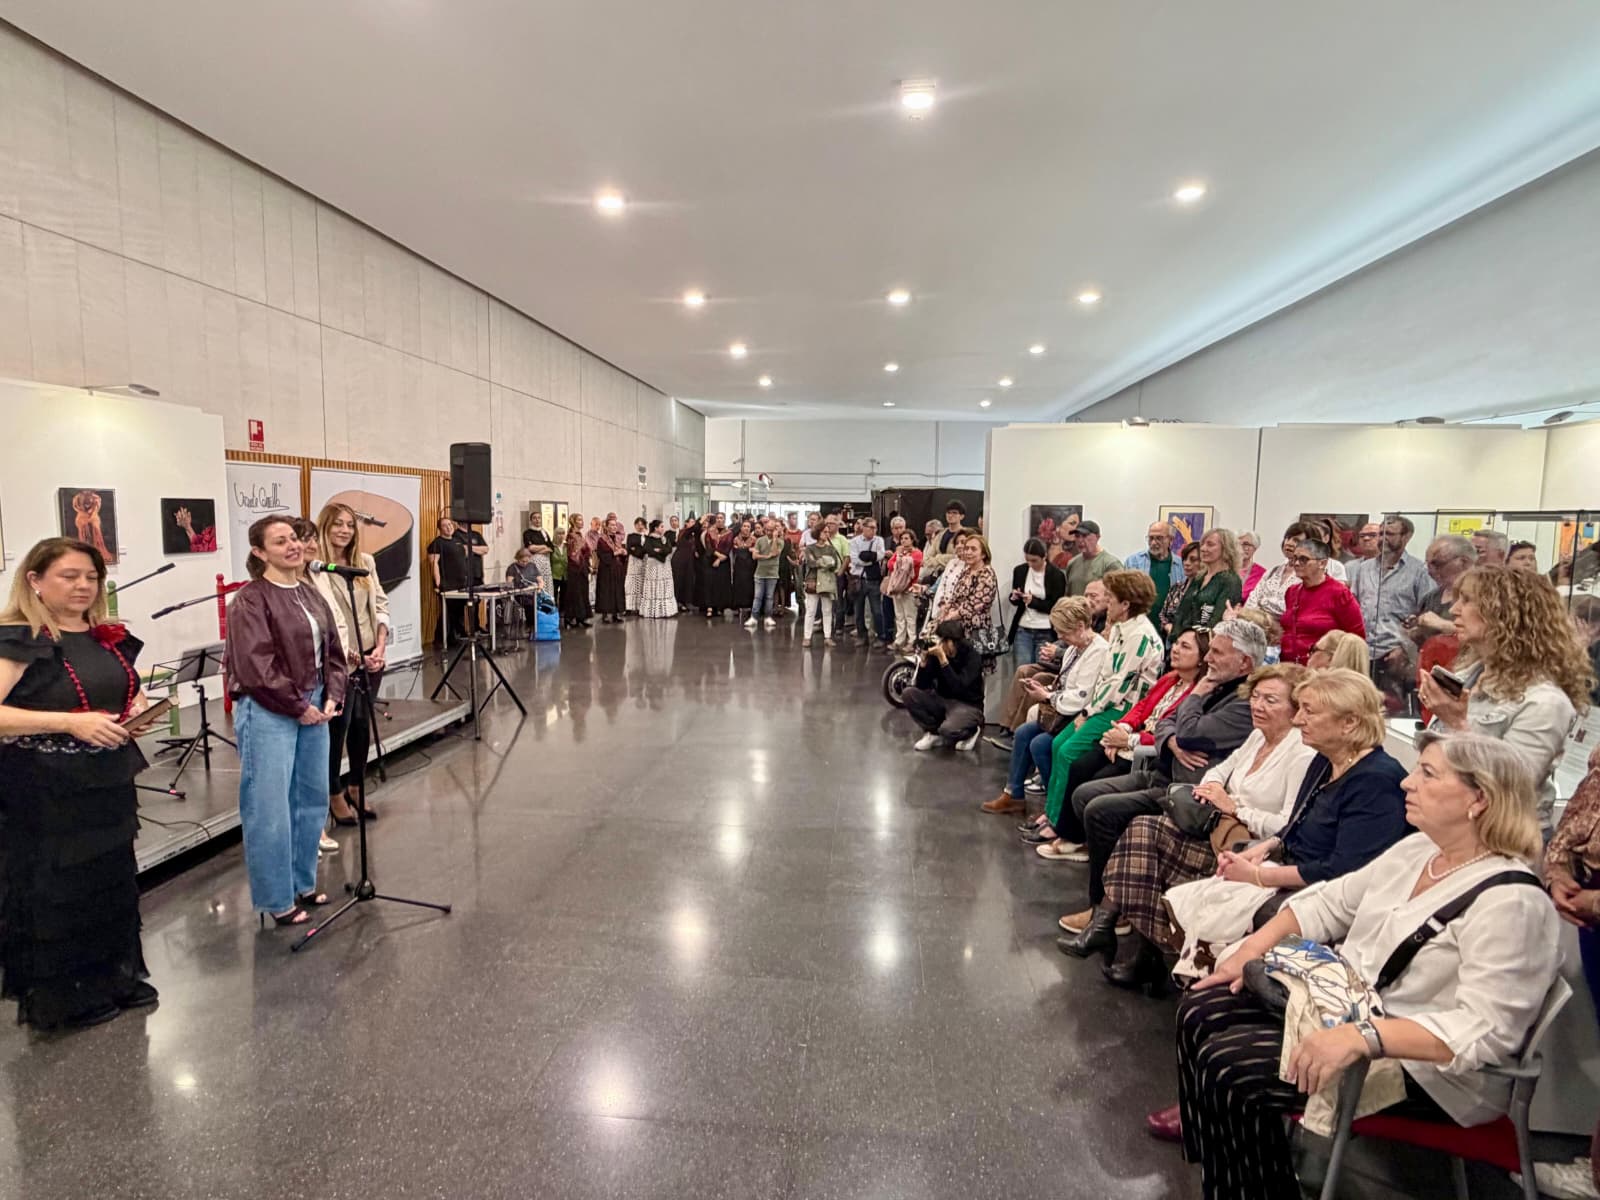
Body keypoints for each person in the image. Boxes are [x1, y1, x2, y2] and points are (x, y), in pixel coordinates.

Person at [1174, 732, 1556, 1200]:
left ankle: (1249, 1177)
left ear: (1479, 799)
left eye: (1428, 774)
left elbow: (1487, 1030)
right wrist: (1249, 949)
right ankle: (1228, 1159)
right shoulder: (1420, 851)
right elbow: (1332, 902)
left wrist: (1362, 1036)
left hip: (1431, 1071)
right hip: (1355, 1010)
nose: (1407, 783)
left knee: (1230, 1066)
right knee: (1201, 1007)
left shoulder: (1511, 902)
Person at [0, 538, 163, 1029]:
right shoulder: (18, 636)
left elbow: (109, 691)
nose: (83, 586)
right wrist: (69, 724)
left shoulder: (101, 636)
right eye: (69, 576)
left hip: (105, 781)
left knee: (108, 879)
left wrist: (132, 711)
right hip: (44, 788)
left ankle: (111, 976)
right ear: (35, 580)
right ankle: (65, 994)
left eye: (91, 577)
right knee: (58, 889)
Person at [1095, 664, 1315, 991]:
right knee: (1143, 829)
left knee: (1145, 833)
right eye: (1255, 697)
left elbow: (1287, 824)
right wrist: (1210, 788)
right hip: (1218, 826)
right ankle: (1133, 941)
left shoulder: (1301, 753)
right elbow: (1221, 770)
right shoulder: (1258, 736)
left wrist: (1235, 806)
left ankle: (1124, 934)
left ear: (1295, 708)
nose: (1258, 706)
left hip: (1247, 848)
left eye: (1271, 700)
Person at [1051, 619, 1264, 954]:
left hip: (1186, 793)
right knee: (1085, 793)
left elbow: (1191, 731)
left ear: (1245, 663)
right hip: (1164, 771)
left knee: (1100, 810)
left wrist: (1193, 701)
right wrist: (1174, 742)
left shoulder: (1240, 702)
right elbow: (1166, 719)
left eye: (1218, 653)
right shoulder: (1200, 684)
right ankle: (1111, 897)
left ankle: (1106, 911)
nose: (1209, 659)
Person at [225, 516, 348, 927]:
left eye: (294, 538)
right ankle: (277, 898)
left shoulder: (311, 594)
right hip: (269, 709)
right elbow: (256, 667)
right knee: (270, 807)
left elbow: (334, 650)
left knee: (311, 799)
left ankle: (303, 882)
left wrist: (334, 693)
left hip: (314, 703)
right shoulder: (250, 600)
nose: (293, 546)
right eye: (280, 542)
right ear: (260, 553)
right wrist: (299, 705)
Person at [1418, 565, 1594, 831]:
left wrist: (1457, 724)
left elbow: (1515, 784)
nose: (1454, 610)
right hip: (1454, 827)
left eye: (1467, 601)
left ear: (1503, 614)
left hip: (1503, 838)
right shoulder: (1468, 676)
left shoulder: (1545, 701)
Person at [1036, 570, 1165, 832]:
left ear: (1126, 604)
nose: (1106, 603)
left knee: (1068, 752)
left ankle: (1060, 824)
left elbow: (1119, 684)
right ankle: (1051, 812)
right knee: (1058, 744)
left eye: (1111, 598)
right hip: (1106, 703)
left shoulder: (1139, 635)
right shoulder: (1120, 628)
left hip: (1122, 707)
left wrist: (1087, 712)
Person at [982, 597, 1106, 815]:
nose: (1059, 637)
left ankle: (1056, 807)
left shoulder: (1099, 651)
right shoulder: (1073, 649)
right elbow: (1066, 683)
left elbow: (1082, 697)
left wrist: (1047, 696)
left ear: (1079, 627)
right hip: (1064, 711)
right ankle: (1013, 794)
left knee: (1039, 744)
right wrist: (1046, 690)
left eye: (1063, 632)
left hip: (1082, 714)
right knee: (1023, 732)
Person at [315, 503, 391, 827]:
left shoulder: (365, 563)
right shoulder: (315, 569)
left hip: (371, 655)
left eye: (349, 525)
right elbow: (320, 618)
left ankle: (356, 786)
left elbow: (381, 604)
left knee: (362, 725)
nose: (344, 530)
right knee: (338, 727)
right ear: (325, 527)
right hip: (337, 661)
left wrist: (381, 644)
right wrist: (349, 654)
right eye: (337, 524)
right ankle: (333, 793)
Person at [1347, 515, 1432, 666]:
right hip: (1364, 651)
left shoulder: (1420, 571)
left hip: (1396, 655)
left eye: (1390, 534)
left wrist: (1406, 648)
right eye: (1381, 534)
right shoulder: (1364, 569)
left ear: (1406, 537)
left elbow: (1426, 617)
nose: (1382, 539)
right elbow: (1355, 607)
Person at [1277, 538, 1365, 665]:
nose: (1296, 563)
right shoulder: (1292, 592)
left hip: (1321, 670)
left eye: (1303, 559)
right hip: (1288, 667)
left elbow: (1356, 638)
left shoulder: (1339, 593)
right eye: (1294, 558)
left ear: (1322, 563)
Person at [903, 619, 985, 752]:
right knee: (909, 694)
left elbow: (959, 686)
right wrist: (924, 665)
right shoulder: (938, 654)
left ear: (951, 642)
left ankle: (971, 731)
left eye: (942, 641)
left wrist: (944, 661)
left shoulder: (972, 656)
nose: (939, 644)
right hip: (942, 699)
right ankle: (934, 733)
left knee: (948, 729)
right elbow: (922, 686)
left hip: (968, 704)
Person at [1170, 529, 1244, 639]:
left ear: (1226, 549)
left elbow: (1217, 622)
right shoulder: (1199, 577)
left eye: (1210, 544)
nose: (1203, 549)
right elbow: (1181, 611)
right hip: (1183, 641)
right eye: (1202, 544)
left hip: (1205, 644)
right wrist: (1175, 638)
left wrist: (1195, 643)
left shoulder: (1231, 580)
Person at [1246, 522, 1327, 619]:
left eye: (1296, 540)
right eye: (1287, 538)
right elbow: (1252, 601)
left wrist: (1263, 602)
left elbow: (1292, 610)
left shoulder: (1312, 576)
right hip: (1258, 626)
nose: (1288, 543)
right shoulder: (1273, 571)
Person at [1007, 538, 1068, 667]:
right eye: (1027, 560)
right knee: (1021, 670)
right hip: (1023, 628)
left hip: (1046, 629)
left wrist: (1034, 602)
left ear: (1044, 556)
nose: (1030, 564)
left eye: (1034, 560)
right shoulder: (1020, 571)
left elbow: (1056, 606)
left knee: (1041, 671)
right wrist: (1014, 597)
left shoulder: (1056, 575)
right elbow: (1017, 603)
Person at [931, 533, 999, 634]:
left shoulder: (987, 574)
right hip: (955, 628)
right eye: (966, 548)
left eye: (973, 549)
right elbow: (956, 597)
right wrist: (946, 608)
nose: (968, 552)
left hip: (975, 630)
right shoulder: (966, 571)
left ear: (983, 554)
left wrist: (952, 615)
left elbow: (976, 604)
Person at [1125, 522, 1186, 616]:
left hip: (1169, 623)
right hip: (1140, 620)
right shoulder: (1133, 562)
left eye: (1159, 538)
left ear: (1171, 539)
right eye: (1151, 538)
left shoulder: (1181, 565)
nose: (1153, 543)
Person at [427, 515, 470, 643]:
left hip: (461, 583)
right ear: (440, 529)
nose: (448, 527)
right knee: (448, 613)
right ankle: (441, 639)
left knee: (459, 612)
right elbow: (434, 564)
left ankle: (456, 635)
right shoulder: (437, 543)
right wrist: (438, 583)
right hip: (447, 584)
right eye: (445, 525)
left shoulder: (457, 541)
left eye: (450, 524)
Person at [847, 517, 887, 643]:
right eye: (871, 527)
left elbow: (881, 555)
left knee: (877, 610)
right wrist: (872, 559)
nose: (874, 530)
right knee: (858, 611)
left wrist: (866, 557)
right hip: (858, 579)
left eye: (875, 528)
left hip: (873, 580)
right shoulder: (854, 541)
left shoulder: (879, 540)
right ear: (863, 528)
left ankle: (880, 636)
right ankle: (861, 636)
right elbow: (854, 560)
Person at [801, 529, 843, 648]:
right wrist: (825, 561)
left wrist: (820, 560)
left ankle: (828, 636)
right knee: (811, 610)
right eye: (824, 531)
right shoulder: (810, 548)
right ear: (817, 533)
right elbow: (811, 563)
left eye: (828, 532)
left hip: (827, 581)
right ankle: (807, 637)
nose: (827, 534)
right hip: (813, 581)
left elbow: (834, 564)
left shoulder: (831, 549)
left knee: (827, 610)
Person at [883, 529, 923, 651]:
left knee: (910, 616)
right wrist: (899, 555)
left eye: (907, 538)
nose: (904, 541)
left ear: (912, 539)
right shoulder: (899, 552)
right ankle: (899, 640)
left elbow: (915, 563)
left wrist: (901, 557)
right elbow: (890, 564)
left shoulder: (917, 553)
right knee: (899, 615)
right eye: (902, 539)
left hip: (910, 588)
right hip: (897, 588)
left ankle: (912, 640)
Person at [1158, 541, 1205, 641]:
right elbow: (1163, 614)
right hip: (1169, 641)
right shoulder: (1176, 587)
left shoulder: (1205, 590)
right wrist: (1167, 626)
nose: (1187, 563)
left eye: (1193, 560)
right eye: (1185, 559)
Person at [1062, 519, 1120, 596]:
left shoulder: (1110, 564)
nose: (1080, 540)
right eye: (1077, 536)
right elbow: (1068, 593)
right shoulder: (1072, 563)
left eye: (1085, 536)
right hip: (1075, 607)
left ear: (1097, 537)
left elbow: (1117, 597)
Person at [561, 513, 593, 630]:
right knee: (574, 593)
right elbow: (572, 553)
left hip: (582, 567)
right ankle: (569, 618)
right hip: (575, 568)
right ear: (573, 521)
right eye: (579, 520)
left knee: (583, 592)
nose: (581, 522)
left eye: (582, 519)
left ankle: (581, 617)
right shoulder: (571, 536)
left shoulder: (580, 535)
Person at [639, 520, 676, 619]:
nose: (663, 528)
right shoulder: (649, 538)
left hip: (664, 566)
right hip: (654, 565)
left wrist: (660, 550)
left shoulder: (664, 538)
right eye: (661, 526)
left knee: (664, 585)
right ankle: (654, 610)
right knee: (654, 584)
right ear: (656, 528)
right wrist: (660, 552)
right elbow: (648, 550)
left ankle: (665, 610)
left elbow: (669, 549)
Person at [594, 517, 627, 624]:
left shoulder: (618, 539)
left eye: (615, 525)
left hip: (617, 568)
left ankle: (616, 613)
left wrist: (623, 553)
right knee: (606, 591)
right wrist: (615, 553)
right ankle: (605, 614)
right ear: (607, 526)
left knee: (617, 590)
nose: (614, 527)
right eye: (612, 525)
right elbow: (601, 554)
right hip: (606, 569)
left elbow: (620, 554)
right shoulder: (602, 539)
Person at [751, 518, 782, 628]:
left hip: (772, 573)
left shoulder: (780, 542)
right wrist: (765, 556)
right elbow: (754, 556)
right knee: (758, 596)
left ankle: (768, 617)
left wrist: (774, 538)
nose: (769, 532)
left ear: (775, 530)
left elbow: (774, 552)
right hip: (759, 573)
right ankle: (754, 617)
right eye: (767, 530)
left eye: (771, 530)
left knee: (769, 597)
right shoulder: (760, 540)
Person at [729, 519, 757, 625]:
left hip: (750, 566)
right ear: (741, 528)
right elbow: (735, 551)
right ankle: (738, 605)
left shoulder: (754, 539)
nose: (746, 528)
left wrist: (746, 550)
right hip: (739, 566)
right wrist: (746, 550)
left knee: (749, 585)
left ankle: (749, 605)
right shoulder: (735, 539)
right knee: (739, 585)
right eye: (744, 526)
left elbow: (754, 551)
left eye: (748, 526)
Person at [672, 514, 699, 612]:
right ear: (686, 524)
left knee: (688, 581)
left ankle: (686, 602)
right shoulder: (683, 532)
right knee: (678, 580)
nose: (693, 524)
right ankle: (676, 602)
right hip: (680, 559)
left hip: (689, 560)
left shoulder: (693, 535)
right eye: (691, 522)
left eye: (694, 522)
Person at [624, 517, 648, 616]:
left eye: (641, 524)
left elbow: (648, 547)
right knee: (631, 583)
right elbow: (630, 547)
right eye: (637, 524)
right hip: (634, 561)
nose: (639, 526)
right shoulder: (631, 535)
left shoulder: (647, 536)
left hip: (644, 561)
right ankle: (629, 607)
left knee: (642, 582)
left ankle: (639, 607)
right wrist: (639, 551)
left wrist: (638, 549)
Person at [1236, 531, 1265, 601]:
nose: (1241, 548)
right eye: (1238, 544)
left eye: (1246, 544)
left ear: (1254, 548)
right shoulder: (1226, 568)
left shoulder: (1262, 573)